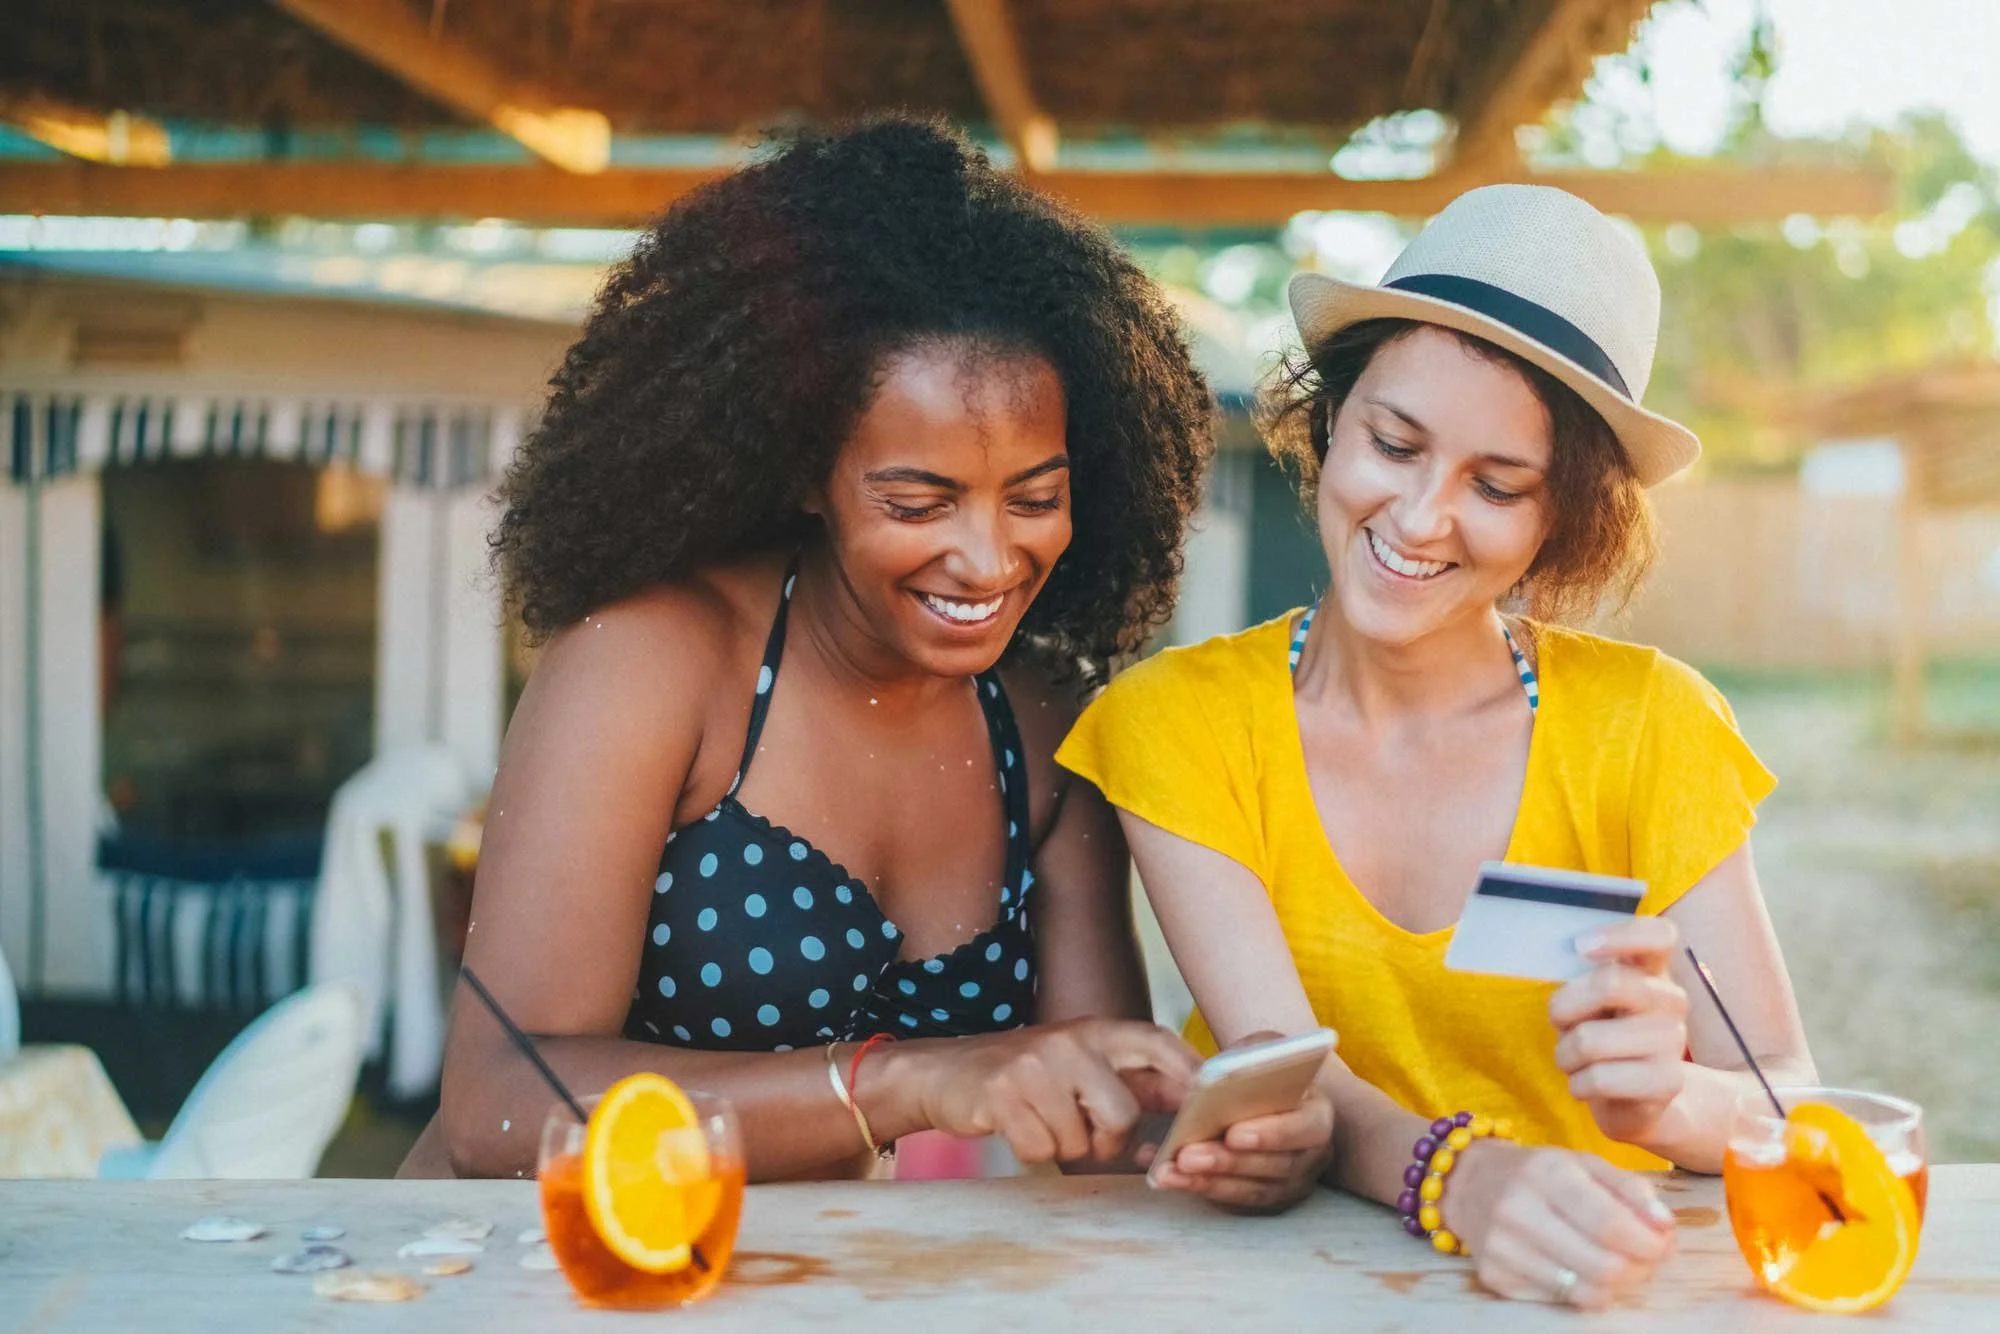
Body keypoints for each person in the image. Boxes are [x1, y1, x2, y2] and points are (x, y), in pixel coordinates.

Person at [411, 118, 1216, 1181]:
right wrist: (908, 1078)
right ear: (804, 473)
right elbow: (498, 1107)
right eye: (916, 499)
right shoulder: (652, 664)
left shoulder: (1041, 716)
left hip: (789, 1282)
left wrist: (1211, 1139)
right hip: (527, 1271)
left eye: (1035, 498)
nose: (986, 558)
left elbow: (1100, 1131)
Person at [1057, 185, 1816, 1305]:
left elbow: (1791, 1099)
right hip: (1282, 1291)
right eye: (1393, 442)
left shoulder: (1651, 724)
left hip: (1595, 1283)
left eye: (1494, 485)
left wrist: (1670, 1104)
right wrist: (1459, 1176)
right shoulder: (1179, 720)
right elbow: (1288, 1067)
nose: (1418, 517)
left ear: (1560, 518)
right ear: (1329, 420)